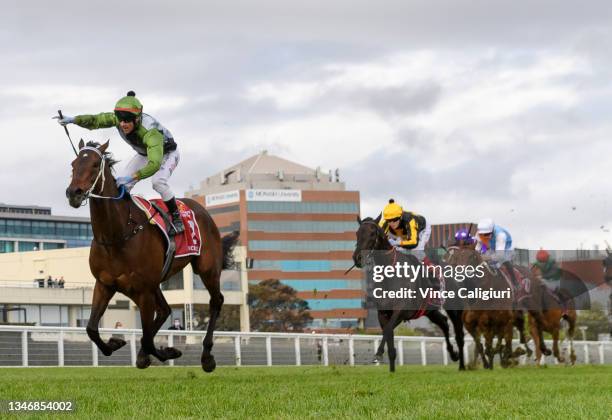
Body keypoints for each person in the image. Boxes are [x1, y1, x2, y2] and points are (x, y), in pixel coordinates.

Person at [54, 91, 184, 234]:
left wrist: (135, 176)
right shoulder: (118, 120)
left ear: (137, 119)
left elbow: (154, 164)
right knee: (120, 186)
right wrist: (74, 120)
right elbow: (96, 120)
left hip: (166, 154)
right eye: (120, 120)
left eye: (127, 121)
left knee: (158, 181)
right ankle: (126, 220)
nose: (123, 124)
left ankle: (177, 218)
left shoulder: (151, 133)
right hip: (144, 153)